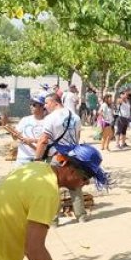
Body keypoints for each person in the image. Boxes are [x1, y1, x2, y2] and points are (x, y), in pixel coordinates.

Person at [33, 93, 84, 222]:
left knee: (53, 188)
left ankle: (54, 220)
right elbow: (77, 138)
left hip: (56, 158)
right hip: (73, 156)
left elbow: (43, 140)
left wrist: (37, 159)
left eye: (46, 103)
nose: (45, 106)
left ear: (54, 102)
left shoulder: (51, 118)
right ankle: (81, 217)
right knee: (75, 186)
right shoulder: (75, 117)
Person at [3, 97, 48, 168]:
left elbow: (49, 140)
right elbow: (15, 138)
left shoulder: (48, 121)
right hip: (22, 158)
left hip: (39, 158)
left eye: (34, 105)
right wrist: (14, 134)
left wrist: (32, 140)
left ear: (42, 107)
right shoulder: (25, 120)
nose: (31, 106)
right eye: (30, 104)